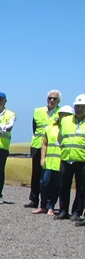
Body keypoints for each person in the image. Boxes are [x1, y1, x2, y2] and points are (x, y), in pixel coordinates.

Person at [34, 105, 74, 215]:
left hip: (61, 162)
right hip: (48, 161)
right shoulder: (50, 127)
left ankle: (51, 206)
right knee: (44, 183)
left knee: (56, 186)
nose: (64, 117)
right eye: (62, 114)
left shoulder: (71, 129)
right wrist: (42, 158)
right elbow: (45, 144)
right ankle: (42, 206)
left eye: (67, 115)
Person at [27, 90, 62, 208]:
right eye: (49, 98)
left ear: (58, 101)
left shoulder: (61, 113)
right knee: (36, 174)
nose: (51, 100)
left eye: (54, 99)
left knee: (50, 176)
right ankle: (34, 199)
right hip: (37, 145)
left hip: (52, 147)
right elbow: (34, 127)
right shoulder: (38, 111)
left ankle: (47, 202)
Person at [56, 95, 85, 224]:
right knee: (63, 186)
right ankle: (63, 211)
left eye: (81, 107)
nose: (79, 109)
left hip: (82, 160)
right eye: (77, 107)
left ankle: (77, 212)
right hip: (66, 158)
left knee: (81, 188)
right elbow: (60, 138)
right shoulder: (66, 121)